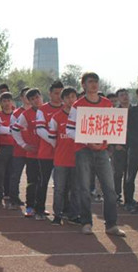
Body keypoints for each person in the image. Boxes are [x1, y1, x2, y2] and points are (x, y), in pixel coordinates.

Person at [66, 72, 126, 236]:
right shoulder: (78, 105)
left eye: (96, 82)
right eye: (90, 82)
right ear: (83, 85)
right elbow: (69, 130)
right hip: (83, 151)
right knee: (84, 188)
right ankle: (86, 223)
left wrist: (106, 141)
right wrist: (87, 141)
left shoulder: (107, 103)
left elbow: (111, 126)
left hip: (102, 151)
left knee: (110, 189)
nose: (94, 84)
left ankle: (111, 225)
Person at [48, 87, 80, 225]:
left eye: (73, 96)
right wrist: (59, 148)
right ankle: (57, 215)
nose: (70, 100)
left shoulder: (81, 116)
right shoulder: (56, 117)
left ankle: (73, 215)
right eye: (67, 97)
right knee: (59, 189)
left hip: (77, 159)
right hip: (61, 159)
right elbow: (51, 138)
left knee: (75, 189)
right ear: (62, 99)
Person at [34, 80, 65, 220]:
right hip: (46, 153)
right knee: (43, 182)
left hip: (63, 154)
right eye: (56, 93)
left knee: (63, 184)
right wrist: (55, 142)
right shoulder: (42, 109)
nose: (59, 96)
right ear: (50, 93)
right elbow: (40, 130)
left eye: (61, 93)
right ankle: (39, 209)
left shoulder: (68, 109)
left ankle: (64, 210)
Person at [11, 88, 43, 218]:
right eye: (32, 99)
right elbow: (15, 129)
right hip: (32, 154)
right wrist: (24, 145)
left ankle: (40, 207)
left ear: (41, 97)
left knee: (43, 181)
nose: (36, 100)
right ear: (29, 101)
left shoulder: (48, 111)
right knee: (32, 180)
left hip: (47, 154)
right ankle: (30, 206)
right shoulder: (25, 114)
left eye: (37, 97)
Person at [0, 92, 16, 207]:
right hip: (1, 147)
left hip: (15, 147)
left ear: (12, 102)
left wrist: (8, 130)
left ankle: (12, 195)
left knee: (13, 173)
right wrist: (11, 130)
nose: (7, 103)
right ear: (0, 103)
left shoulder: (16, 115)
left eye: (8, 101)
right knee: (0, 173)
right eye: (4, 101)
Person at [110, 88, 131, 204]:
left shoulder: (135, 111)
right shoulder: (115, 112)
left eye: (126, 94)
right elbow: (110, 129)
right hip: (118, 148)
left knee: (129, 175)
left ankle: (129, 198)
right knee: (118, 173)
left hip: (132, 147)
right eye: (122, 95)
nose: (125, 97)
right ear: (118, 98)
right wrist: (114, 144)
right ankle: (116, 195)